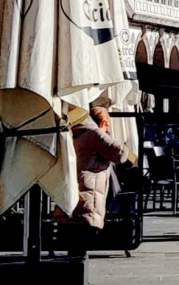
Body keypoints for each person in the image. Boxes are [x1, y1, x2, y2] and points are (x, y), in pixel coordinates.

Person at [54, 107, 136, 257]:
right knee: (81, 241)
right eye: (108, 124)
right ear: (104, 121)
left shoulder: (72, 132)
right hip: (87, 197)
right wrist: (108, 134)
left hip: (69, 193)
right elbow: (120, 154)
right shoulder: (95, 134)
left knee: (74, 244)